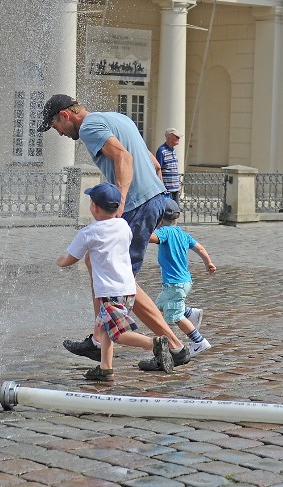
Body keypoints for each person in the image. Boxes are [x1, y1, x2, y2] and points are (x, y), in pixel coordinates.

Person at [40, 94, 197, 371]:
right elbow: (152, 162)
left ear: (65, 116)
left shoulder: (89, 127)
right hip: (150, 201)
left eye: (56, 127)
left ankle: (174, 347)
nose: (60, 134)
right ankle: (100, 338)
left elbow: (124, 157)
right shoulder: (117, 118)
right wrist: (155, 194)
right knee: (97, 261)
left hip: (137, 205)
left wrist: (122, 201)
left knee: (122, 282)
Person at [56, 182, 174, 380]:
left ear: (94, 207)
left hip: (109, 291)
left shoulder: (88, 232)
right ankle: (105, 368)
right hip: (128, 289)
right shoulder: (123, 226)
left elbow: (70, 259)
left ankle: (155, 343)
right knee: (104, 327)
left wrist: (59, 261)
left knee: (117, 334)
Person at [149, 199, 216, 358]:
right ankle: (190, 313)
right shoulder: (183, 234)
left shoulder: (164, 232)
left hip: (175, 284)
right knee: (157, 308)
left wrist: (141, 228)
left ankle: (199, 342)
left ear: (159, 220)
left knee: (175, 316)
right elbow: (199, 248)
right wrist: (208, 262)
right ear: (176, 219)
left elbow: (151, 238)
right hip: (182, 282)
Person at [156, 128, 182, 202]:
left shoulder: (173, 151)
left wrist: (178, 184)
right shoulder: (162, 151)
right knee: (168, 212)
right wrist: (161, 187)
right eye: (176, 137)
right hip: (167, 190)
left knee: (176, 211)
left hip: (175, 189)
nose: (179, 138)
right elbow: (158, 169)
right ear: (169, 137)